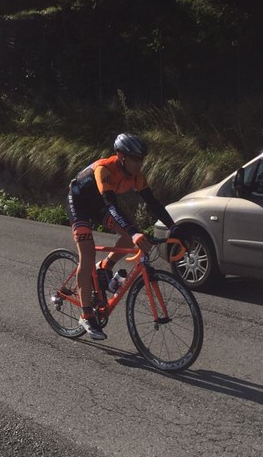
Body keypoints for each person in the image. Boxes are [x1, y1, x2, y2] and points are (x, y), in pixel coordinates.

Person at [66, 133, 183, 340]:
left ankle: (105, 267)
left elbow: (153, 203)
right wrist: (133, 232)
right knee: (88, 255)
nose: (139, 164)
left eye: (141, 160)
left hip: (100, 206)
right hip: (79, 204)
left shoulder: (136, 176)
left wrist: (174, 227)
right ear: (121, 156)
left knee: (132, 234)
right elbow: (112, 205)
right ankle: (86, 315)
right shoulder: (104, 169)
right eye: (135, 159)